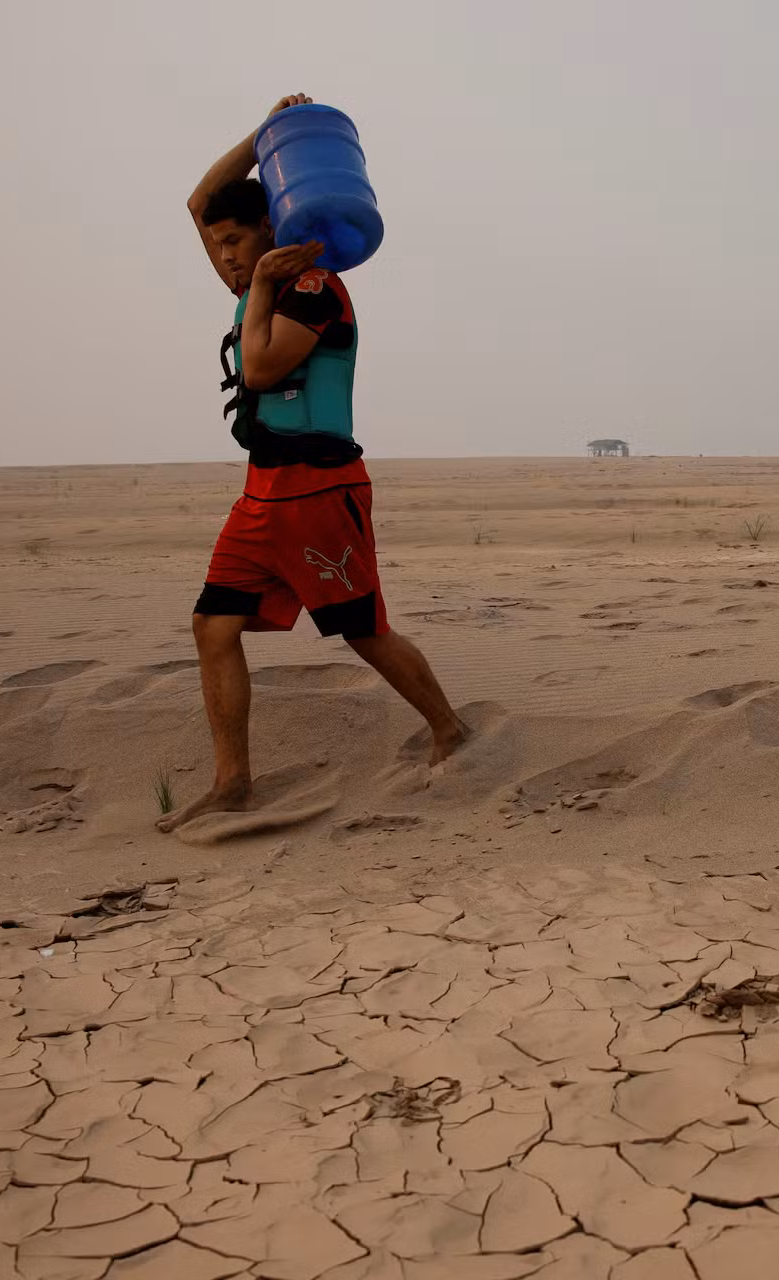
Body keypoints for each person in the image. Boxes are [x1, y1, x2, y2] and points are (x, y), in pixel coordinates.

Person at [159, 94, 467, 833]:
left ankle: (450, 729)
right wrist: (266, 131)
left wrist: (266, 281)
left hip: (321, 489)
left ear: (274, 227)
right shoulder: (251, 285)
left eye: (238, 242)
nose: (226, 257)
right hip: (262, 493)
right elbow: (200, 201)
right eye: (220, 247)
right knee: (212, 625)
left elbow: (262, 369)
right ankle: (232, 783)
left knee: (363, 629)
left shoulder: (311, 288)